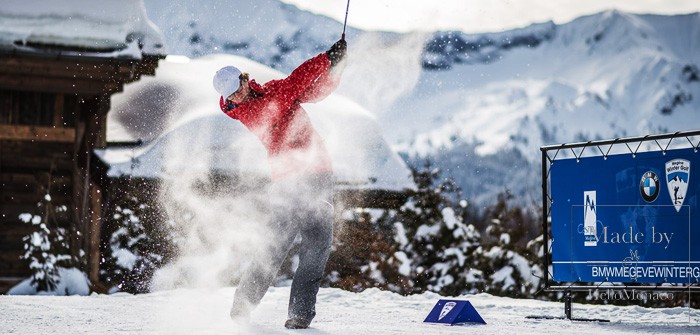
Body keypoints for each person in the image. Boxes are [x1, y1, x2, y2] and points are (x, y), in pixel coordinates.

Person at [212, 38, 347, 329]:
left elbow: (311, 91)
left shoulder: (272, 89)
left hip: (318, 172)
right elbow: (295, 84)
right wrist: (325, 58)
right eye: (231, 96)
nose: (236, 97)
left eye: (237, 88)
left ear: (244, 80)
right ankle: (242, 307)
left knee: (316, 244)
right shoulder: (248, 111)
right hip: (290, 179)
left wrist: (336, 69)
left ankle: (299, 314)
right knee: (274, 247)